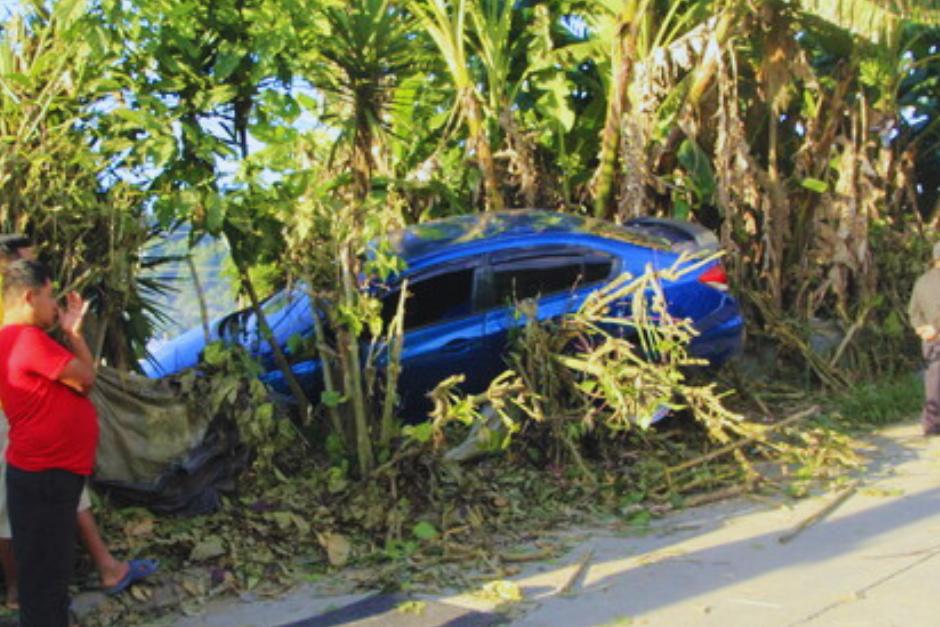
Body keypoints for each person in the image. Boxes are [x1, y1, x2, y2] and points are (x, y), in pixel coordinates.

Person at [0, 238, 155, 612]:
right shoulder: (26, 341)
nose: (55, 305)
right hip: (46, 472)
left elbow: (80, 387)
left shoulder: (15, 339)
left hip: (45, 471)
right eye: (50, 296)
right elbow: (86, 379)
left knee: (46, 574)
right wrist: (73, 333)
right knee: (47, 577)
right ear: (28, 297)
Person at [909, 241, 940, 436]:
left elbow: (913, 312)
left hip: (929, 340)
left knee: (933, 380)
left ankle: (931, 424)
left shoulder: (921, 281)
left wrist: (922, 329)